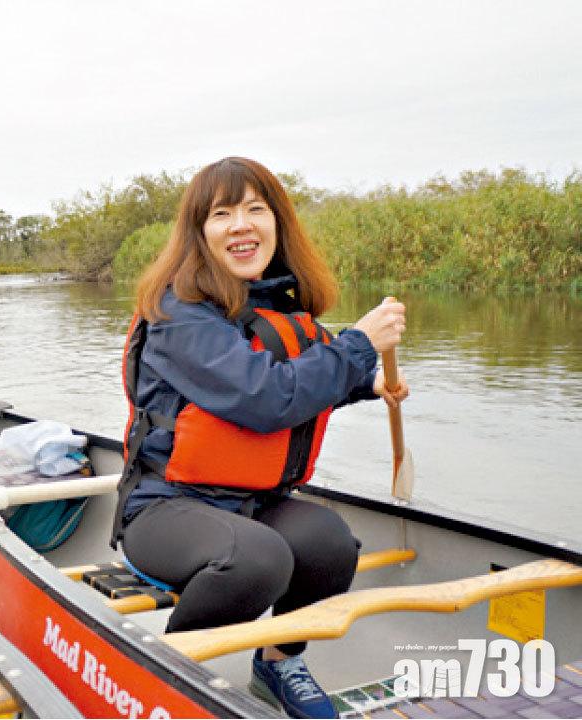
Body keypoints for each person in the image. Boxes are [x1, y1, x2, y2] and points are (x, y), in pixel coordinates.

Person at [113, 157, 408, 719]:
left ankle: (277, 664)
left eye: (255, 208)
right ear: (200, 233)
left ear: (278, 221)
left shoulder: (278, 300)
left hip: (251, 502)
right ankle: (170, 677)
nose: (241, 224)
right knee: (256, 560)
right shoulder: (180, 313)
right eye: (222, 213)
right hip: (164, 509)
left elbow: (306, 379)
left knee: (329, 547)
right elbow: (265, 399)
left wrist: (366, 383)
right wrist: (357, 345)